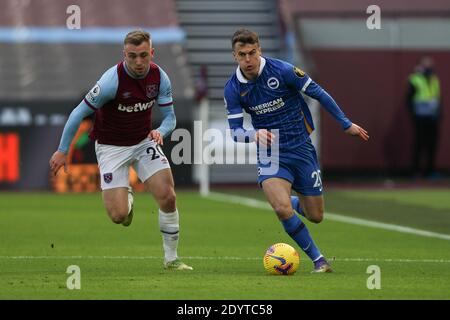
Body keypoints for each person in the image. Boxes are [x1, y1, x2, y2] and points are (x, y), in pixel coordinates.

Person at [224, 29, 369, 273]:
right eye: (242, 55)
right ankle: (319, 260)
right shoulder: (232, 89)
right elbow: (236, 131)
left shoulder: (283, 71)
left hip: (301, 148)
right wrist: (253, 135)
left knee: (316, 215)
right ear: (234, 56)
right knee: (281, 209)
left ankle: (290, 201)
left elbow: (319, 93)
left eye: (252, 53)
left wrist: (346, 123)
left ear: (259, 49)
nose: (248, 59)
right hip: (270, 153)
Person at [49, 30, 193, 271]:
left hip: (143, 141)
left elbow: (170, 118)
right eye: (132, 56)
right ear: (124, 54)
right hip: (111, 147)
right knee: (118, 217)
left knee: (167, 196)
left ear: (152, 53)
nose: (138, 62)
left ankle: (171, 258)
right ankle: (127, 200)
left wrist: (161, 132)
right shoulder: (110, 81)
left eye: (144, 56)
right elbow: (78, 113)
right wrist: (63, 150)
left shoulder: (160, 78)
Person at [407, 56, 441, 179]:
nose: (429, 66)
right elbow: (409, 99)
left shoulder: (434, 79)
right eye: (426, 64)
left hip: (432, 117)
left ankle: (430, 171)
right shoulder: (415, 79)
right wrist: (414, 115)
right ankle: (415, 171)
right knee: (419, 144)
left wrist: (439, 114)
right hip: (420, 117)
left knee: (432, 145)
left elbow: (437, 98)